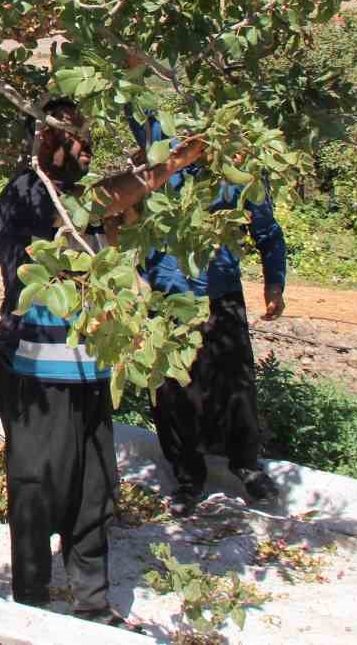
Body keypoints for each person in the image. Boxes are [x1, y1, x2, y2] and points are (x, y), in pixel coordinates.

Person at [0, 98, 204, 624]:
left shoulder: (84, 200)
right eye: (76, 137)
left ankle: (92, 604)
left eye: (87, 136)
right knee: (36, 489)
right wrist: (166, 167)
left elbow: (119, 245)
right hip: (35, 374)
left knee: (94, 490)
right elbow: (101, 202)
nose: (86, 147)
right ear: (46, 140)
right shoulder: (26, 192)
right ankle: (33, 605)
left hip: (90, 371)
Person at [129, 115, 287, 515]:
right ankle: (187, 475)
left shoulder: (239, 172)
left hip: (220, 294)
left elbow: (267, 230)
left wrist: (274, 283)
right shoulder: (166, 157)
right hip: (166, 296)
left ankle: (247, 466)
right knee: (172, 391)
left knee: (235, 386)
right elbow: (137, 107)